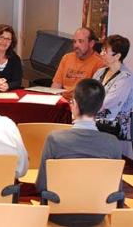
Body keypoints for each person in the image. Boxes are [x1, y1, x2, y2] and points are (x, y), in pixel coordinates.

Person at [36, 78, 122, 226]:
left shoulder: (55, 139)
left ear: (74, 105)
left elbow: (41, 185)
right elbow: (116, 190)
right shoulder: (112, 143)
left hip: (58, 215)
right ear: (100, 107)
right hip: (96, 216)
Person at [93, 35, 133, 158]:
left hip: (114, 128)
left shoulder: (126, 78)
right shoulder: (100, 72)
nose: (101, 53)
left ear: (117, 56)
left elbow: (106, 104)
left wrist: (85, 110)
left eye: (105, 50)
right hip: (96, 120)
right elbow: (88, 93)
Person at [52, 27, 104, 99]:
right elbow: (56, 85)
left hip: (81, 105)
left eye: (80, 41)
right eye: (74, 41)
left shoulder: (99, 63)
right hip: (63, 101)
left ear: (91, 43)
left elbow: (93, 96)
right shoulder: (67, 58)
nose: (76, 45)